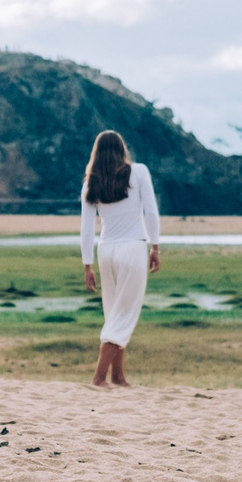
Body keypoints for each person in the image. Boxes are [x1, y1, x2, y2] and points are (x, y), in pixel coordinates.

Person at [80, 130, 162, 388]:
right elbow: (150, 211)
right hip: (132, 248)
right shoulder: (138, 172)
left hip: (106, 251)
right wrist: (155, 246)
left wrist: (87, 265)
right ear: (121, 150)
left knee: (115, 312)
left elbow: (86, 228)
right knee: (124, 314)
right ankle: (98, 377)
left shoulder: (90, 183)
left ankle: (118, 376)